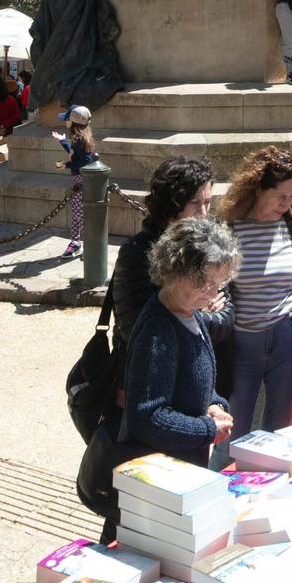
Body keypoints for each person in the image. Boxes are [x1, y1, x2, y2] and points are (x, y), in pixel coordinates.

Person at [69, 156, 217, 531]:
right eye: (197, 203)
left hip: (186, 388)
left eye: (208, 203)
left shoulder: (202, 247)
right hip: (141, 385)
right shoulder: (139, 252)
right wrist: (202, 311)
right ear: (172, 203)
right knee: (134, 491)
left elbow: (221, 317)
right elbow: (143, 326)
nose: (205, 212)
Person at [220, 146, 292, 435]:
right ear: (258, 188)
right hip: (242, 340)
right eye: (280, 196)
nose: (286, 204)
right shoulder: (229, 227)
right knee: (231, 432)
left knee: (281, 432)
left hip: (290, 335)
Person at [114, 218, 239, 466]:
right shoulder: (158, 331)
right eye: (205, 284)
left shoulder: (190, 312)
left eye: (219, 284)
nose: (214, 294)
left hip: (182, 465)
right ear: (176, 272)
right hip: (160, 474)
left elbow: (195, 382)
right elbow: (148, 417)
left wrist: (214, 405)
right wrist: (207, 429)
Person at [53, 103, 99, 261]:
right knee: (77, 214)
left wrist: (66, 165)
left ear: (73, 122)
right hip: (78, 180)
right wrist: (63, 141)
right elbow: (76, 155)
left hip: (81, 181)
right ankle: (76, 241)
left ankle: (84, 244)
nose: (65, 122)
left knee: (79, 214)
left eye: (67, 119)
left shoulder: (80, 140)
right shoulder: (79, 139)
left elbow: (83, 162)